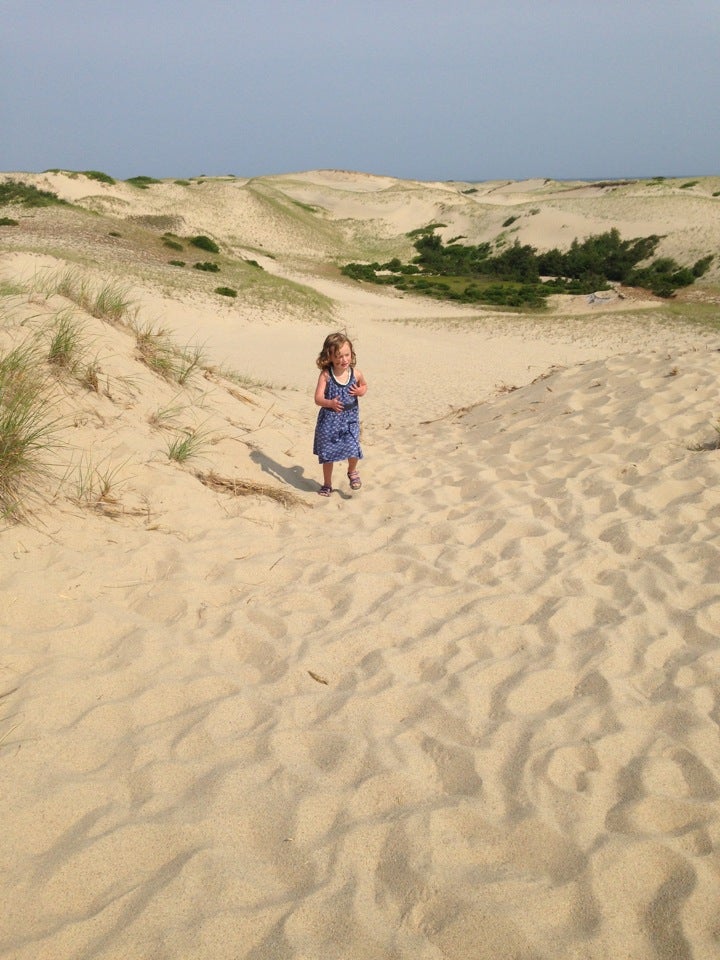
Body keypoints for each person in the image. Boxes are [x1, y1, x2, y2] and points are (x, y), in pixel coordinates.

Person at [313, 332, 367, 496]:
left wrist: (360, 391)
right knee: (328, 455)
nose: (343, 360)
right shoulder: (326, 375)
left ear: (352, 354)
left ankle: (352, 471)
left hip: (350, 420)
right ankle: (327, 484)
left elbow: (364, 386)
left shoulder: (356, 374)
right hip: (329, 421)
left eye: (346, 355)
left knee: (353, 447)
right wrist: (329, 403)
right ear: (328, 356)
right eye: (338, 356)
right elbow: (317, 398)